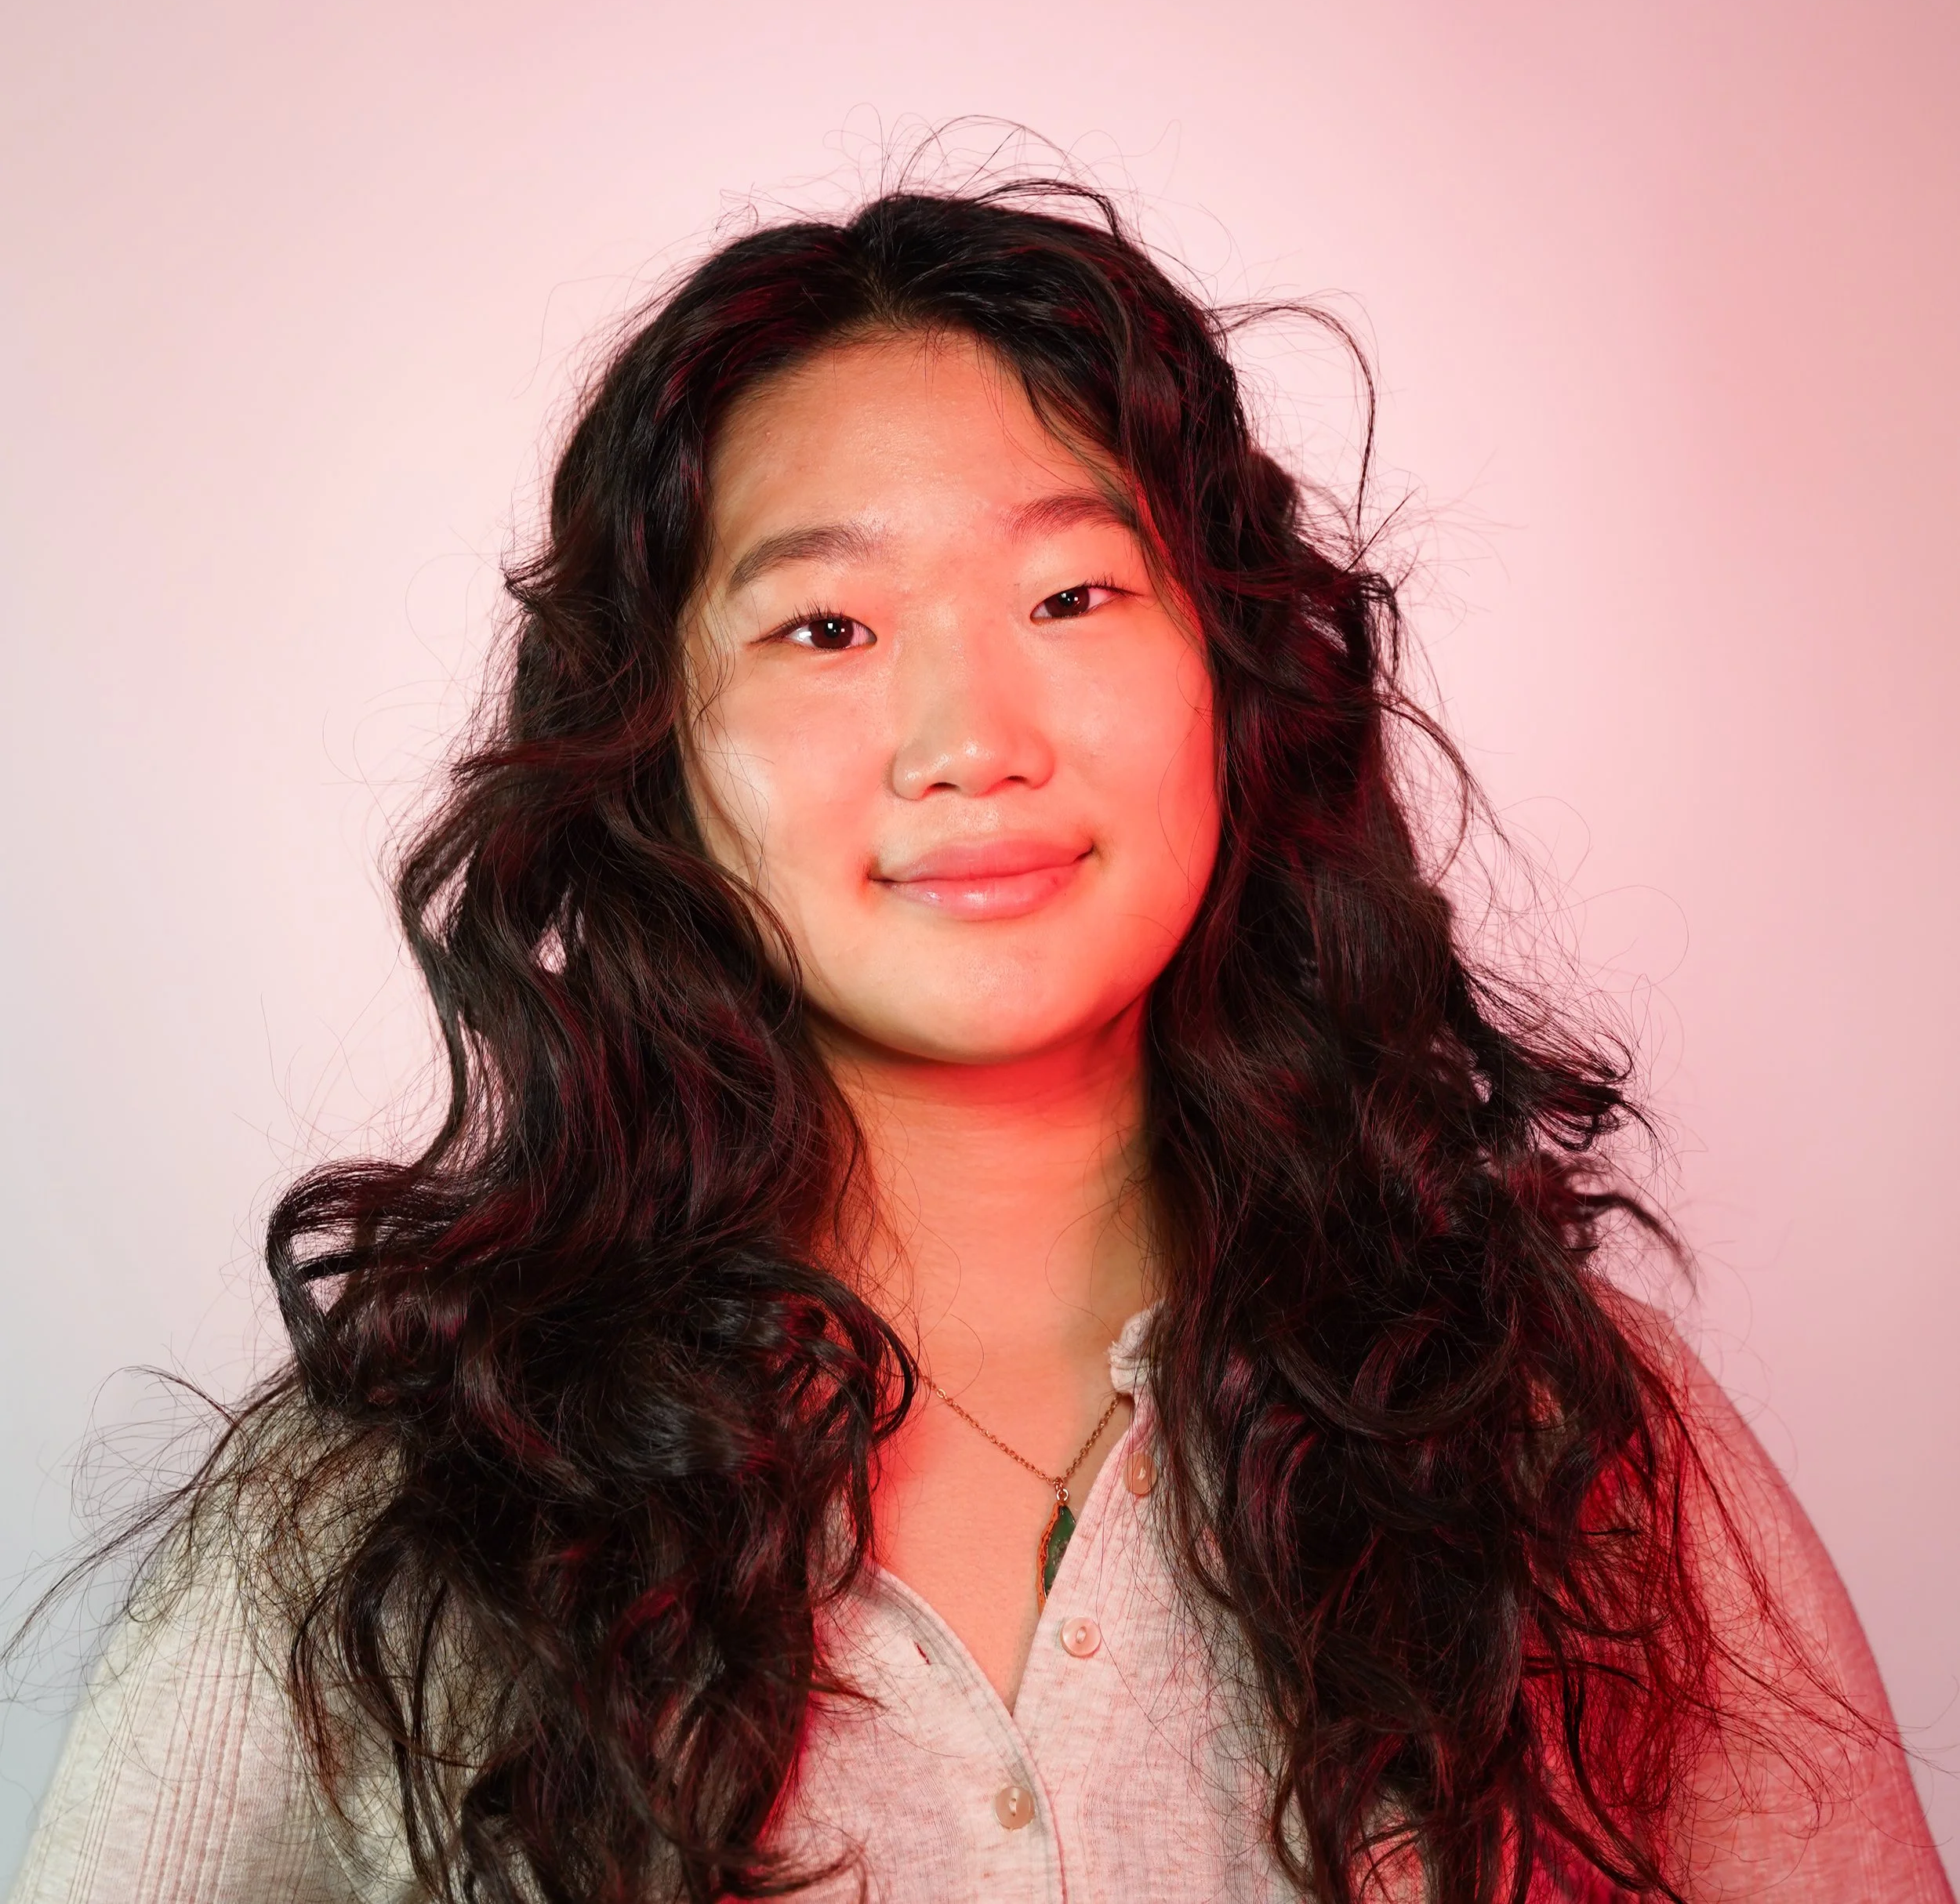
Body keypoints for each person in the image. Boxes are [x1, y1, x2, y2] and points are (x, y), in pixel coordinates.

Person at [6, 184, 1949, 1904]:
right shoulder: (397, 1494)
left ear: (1232, 676)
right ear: (653, 749)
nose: (971, 739)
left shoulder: (1555, 1425)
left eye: (1071, 593)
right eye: (825, 629)